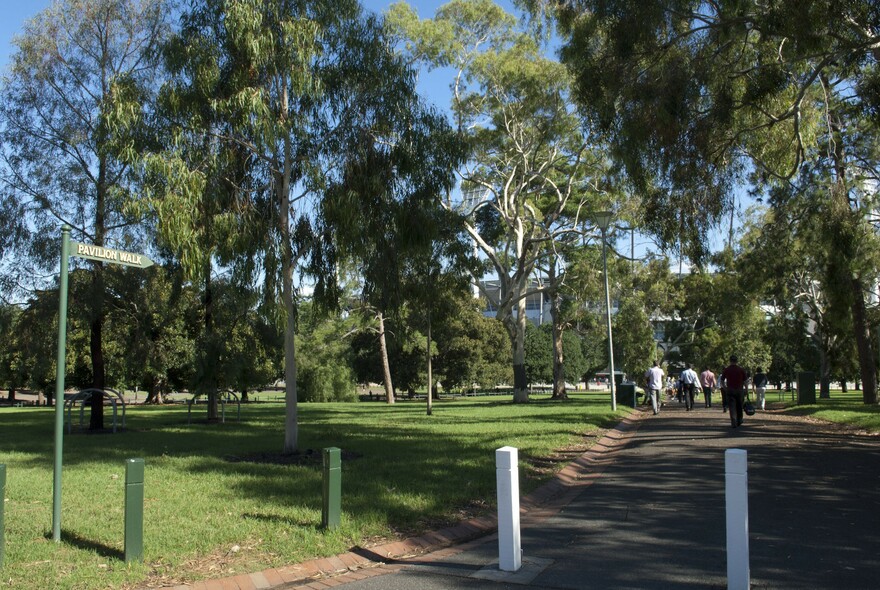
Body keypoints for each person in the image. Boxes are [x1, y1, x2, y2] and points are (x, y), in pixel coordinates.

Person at [722, 355, 748, 428]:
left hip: (730, 390)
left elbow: (722, 380)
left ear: (730, 361)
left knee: (732, 406)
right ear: (737, 361)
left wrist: (725, 387)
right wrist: (746, 389)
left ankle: (733, 421)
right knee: (739, 405)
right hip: (739, 390)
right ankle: (739, 420)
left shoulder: (727, 370)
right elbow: (745, 381)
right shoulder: (741, 370)